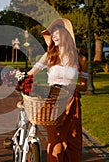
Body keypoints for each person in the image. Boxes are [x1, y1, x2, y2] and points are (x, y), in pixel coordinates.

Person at [27, 18, 83, 161]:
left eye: (57, 32)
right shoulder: (49, 56)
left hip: (73, 102)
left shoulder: (80, 59)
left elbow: (85, 85)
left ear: (66, 35)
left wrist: (72, 87)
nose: (54, 36)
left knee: (73, 144)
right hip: (54, 101)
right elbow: (31, 73)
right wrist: (17, 78)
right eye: (52, 34)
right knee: (56, 144)